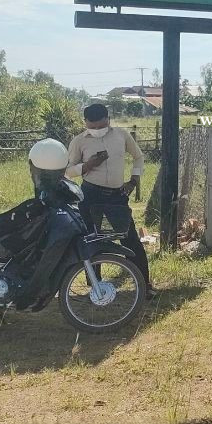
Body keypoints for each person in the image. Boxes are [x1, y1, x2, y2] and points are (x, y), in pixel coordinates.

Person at [65, 104, 154, 295]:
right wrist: (88, 165)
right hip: (91, 195)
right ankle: (95, 288)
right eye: (93, 127)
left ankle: (144, 285)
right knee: (92, 241)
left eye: (101, 126)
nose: (97, 130)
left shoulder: (121, 135)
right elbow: (68, 171)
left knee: (130, 240)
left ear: (109, 120)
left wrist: (134, 181)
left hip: (116, 196)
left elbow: (138, 156)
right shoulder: (79, 141)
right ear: (85, 123)